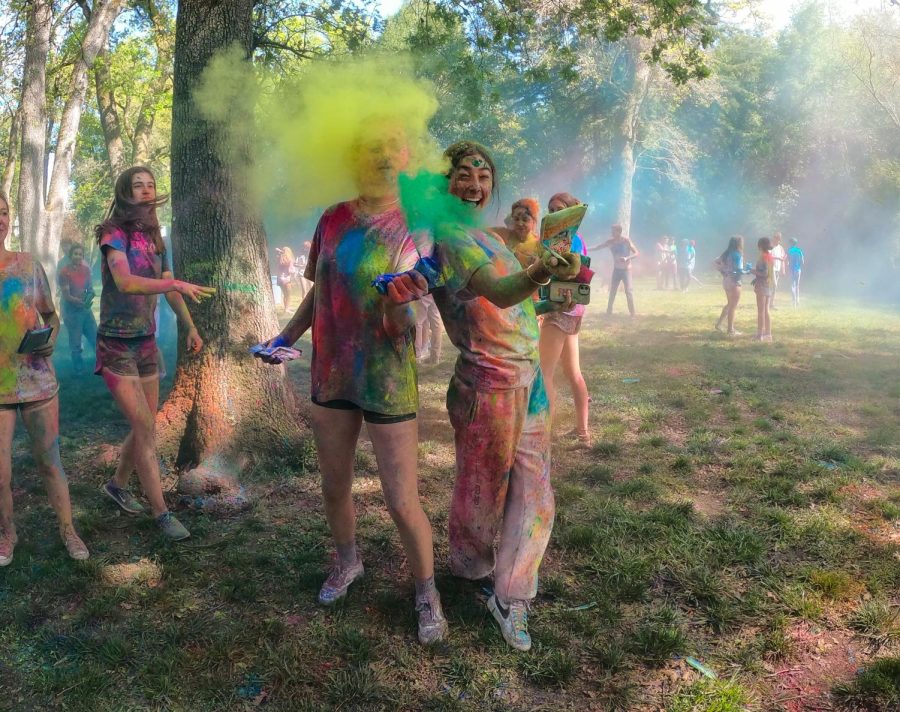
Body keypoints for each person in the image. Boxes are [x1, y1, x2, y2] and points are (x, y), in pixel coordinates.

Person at [258, 121, 448, 645]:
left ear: (406, 157)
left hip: (387, 374)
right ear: (355, 158)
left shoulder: (418, 224)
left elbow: (406, 319)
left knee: (401, 497)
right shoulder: (332, 218)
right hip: (332, 369)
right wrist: (284, 335)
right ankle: (348, 563)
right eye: (371, 148)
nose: (382, 156)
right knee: (334, 482)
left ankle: (426, 591)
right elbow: (318, 293)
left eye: (392, 147)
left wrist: (400, 308)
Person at [387, 140, 579, 652]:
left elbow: (514, 307)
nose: (475, 184)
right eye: (464, 175)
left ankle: (512, 594)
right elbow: (498, 291)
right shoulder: (450, 238)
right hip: (488, 384)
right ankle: (471, 571)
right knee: (483, 491)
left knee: (535, 489)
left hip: (529, 378)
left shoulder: (486, 236)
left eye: (484, 175)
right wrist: (541, 270)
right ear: (445, 184)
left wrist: (560, 290)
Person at [95, 166, 215, 541]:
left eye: (151, 185)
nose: (146, 191)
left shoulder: (156, 237)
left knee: (145, 424)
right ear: (125, 191)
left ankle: (116, 485)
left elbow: (168, 287)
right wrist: (174, 281)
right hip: (115, 344)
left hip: (146, 342)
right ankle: (161, 514)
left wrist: (190, 325)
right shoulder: (112, 231)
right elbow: (125, 281)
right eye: (138, 186)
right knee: (145, 426)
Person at [0, 193, 89, 565]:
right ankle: (7, 532)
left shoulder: (26, 264)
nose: (0, 219)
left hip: (37, 379)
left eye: (3, 212)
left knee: (50, 460)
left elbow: (49, 315)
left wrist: (50, 337)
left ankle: (68, 529)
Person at [537, 192, 591, 445]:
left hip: (561, 309)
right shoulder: (574, 238)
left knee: (544, 371)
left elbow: (565, 273)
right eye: (550, 209)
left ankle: (543, 434)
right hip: (573, 310)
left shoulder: (567, 239)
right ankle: (582, 432)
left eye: (559, 209)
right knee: (573, 372)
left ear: (571, 212)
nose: (553, 213)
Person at [57, 242, 97, 374]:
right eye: (75, 254)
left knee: (95, 337)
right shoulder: (64, 272)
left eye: (80, 254)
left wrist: (89, 298)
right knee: (76, 343)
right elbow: (67, 296)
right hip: (72, 312)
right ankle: (78, 370)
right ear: (70, 255)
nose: (78, 256)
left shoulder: (86, 270)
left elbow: (90, 289)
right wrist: (80, 302)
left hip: (86, 310)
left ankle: (101, 365)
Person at [593, 224, 638, 316]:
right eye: (612, 231)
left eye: (614, 231)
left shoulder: (626, 241)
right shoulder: (610, 242)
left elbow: (637, 253)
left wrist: (627, 258)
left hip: (626, 270)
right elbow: (598, 247)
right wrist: (584, 249)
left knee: (628, 291)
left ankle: (632, 313)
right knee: (612, 290)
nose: (612, 233)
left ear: (619, 232)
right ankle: (609, 311)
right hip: (616, 270)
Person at [713, 235, 746, 336]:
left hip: (726, 280)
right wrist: (747, 271)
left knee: (729, 304)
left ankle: (719, 324)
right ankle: (730, 330)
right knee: (733, 306)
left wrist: (722, 270)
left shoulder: (726, 254)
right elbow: (739, 270)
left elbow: (715, 262)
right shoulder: (738, 255)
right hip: (734, 281)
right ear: (738, 244)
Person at [752, 237, 774, 342]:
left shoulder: (763, 257)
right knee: (766, 310)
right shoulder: (770, 256)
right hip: (769, 285)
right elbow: (768, 273)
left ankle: (759, 335)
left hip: (762, 285)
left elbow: (763, 273)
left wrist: (753, 271)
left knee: (760, 310)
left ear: (760, 246)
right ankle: (768, 334)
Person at [275, 247, 296, 311]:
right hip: (286, 279)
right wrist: (294, 270)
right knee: (289, 295)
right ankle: (287, 309)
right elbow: (291, 271)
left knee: (284, 294)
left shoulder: (279, 258)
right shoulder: (290, 260)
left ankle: (285, 308)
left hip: (279, 279)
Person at [770, 232, 787, 309]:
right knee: (774, 285)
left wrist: (783, 269)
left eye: (779, 239)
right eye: (776, 239)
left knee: (774, 287)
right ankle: (769, 303)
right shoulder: (770, 246)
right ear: (774, 238)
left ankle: (771, 303)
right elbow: (768, 257)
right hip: (771, 268)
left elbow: (783, 258)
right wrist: (777, 258)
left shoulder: (781, 248)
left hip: (777, 268)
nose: (778, 241)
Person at [787, 237, 804, 306]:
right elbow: (803, 261)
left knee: (792, 285)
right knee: (797, 285)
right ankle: (797, 300)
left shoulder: (789, 250)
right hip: (798, 269)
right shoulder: (799, 250)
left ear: (791, 243)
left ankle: (793, 300)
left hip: (791, 269)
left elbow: (787, 260)